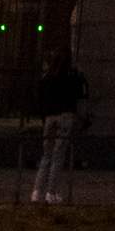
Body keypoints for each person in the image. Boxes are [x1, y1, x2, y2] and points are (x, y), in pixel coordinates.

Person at [25, 45, 88, 206]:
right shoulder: (72, 77)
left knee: (46, 155)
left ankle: (36, 191)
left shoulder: (47, 78)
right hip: (65, 116)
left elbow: (39, 98)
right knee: (58, 156)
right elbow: (81, 94)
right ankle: (51, 192)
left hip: (49, 117)